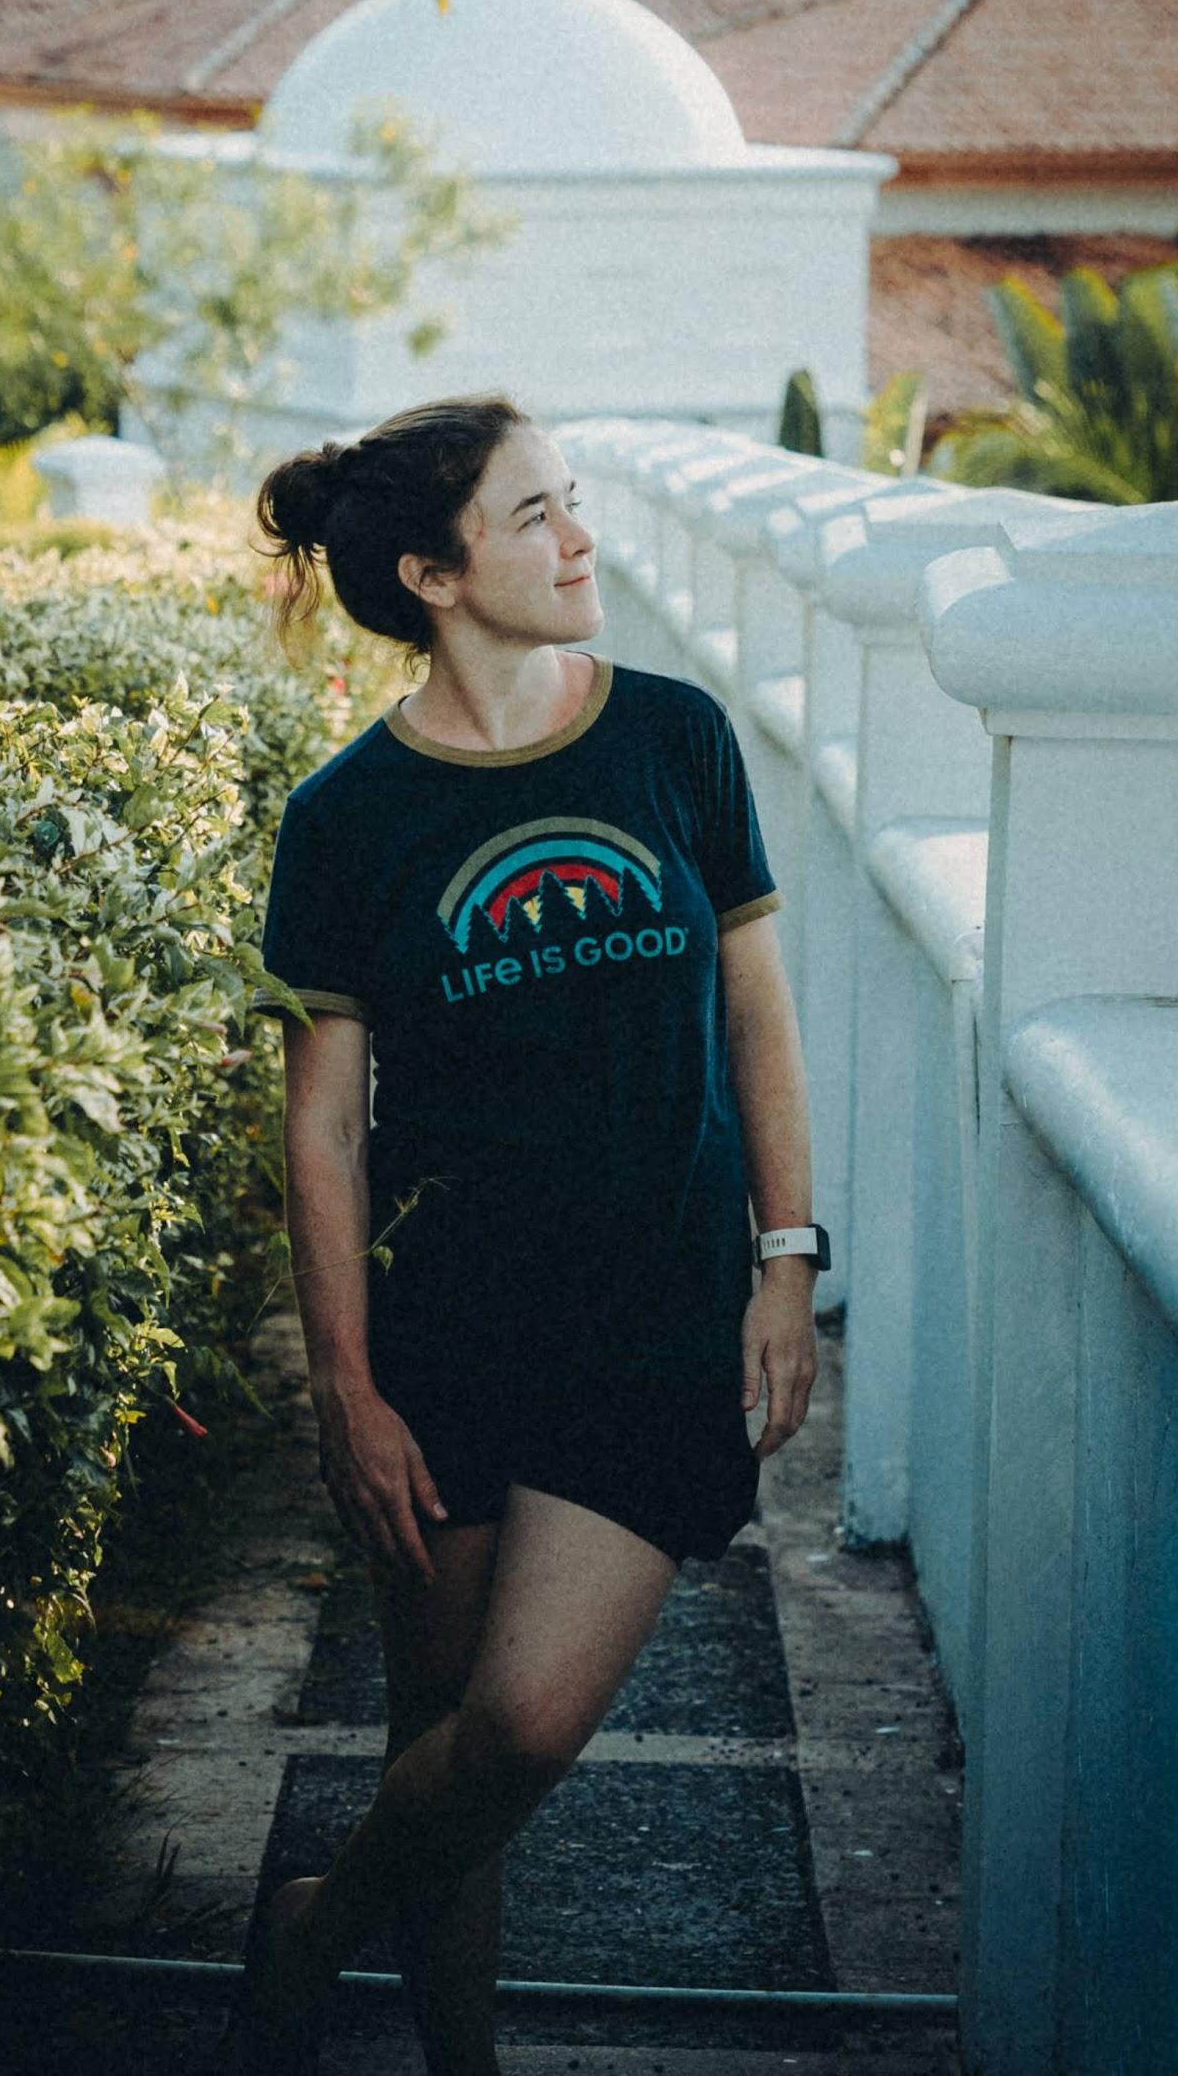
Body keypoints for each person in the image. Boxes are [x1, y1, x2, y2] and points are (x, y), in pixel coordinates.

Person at [232, 396, 824, 2076]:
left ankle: (312, 1925)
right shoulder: (347, 820)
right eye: (536, 515)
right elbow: (323, 1129)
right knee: (441, 1743)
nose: (581, 542)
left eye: (573, 505)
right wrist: (345, 1385)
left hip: (653, 1314)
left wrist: (790, 1256)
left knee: (522, 1724)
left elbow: (757, 1015)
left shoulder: (672, 741)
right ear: (433, 573)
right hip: (449, 1329)